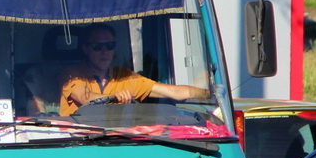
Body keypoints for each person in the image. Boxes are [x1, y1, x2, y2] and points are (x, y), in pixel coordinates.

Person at [58, 23, 208, 116]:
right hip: (78, 141)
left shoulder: (125, 77)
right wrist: (115, 97)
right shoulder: (72, 74)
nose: (104, 51)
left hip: (116, 142)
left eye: (109, 46)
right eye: (97, 47)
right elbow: (84, 98)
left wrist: (207, 93)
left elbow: (174, 92)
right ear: (85, 49)